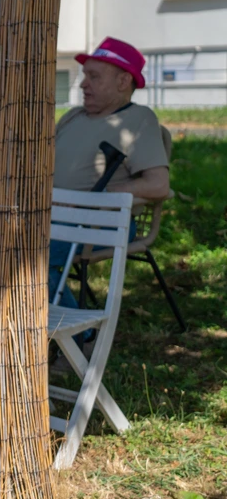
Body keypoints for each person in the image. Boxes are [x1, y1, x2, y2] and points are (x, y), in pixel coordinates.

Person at [49, 37, 170, 309]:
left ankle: (81, 336)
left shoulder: (138, 119)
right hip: (52, 217)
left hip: (98, 222)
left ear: (123, 81)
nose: (83, 84)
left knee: (29, 257)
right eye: (84, 76)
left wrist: (94, 198)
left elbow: (158, 185)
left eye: (94, 76)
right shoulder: (73, 117)